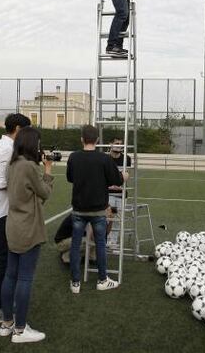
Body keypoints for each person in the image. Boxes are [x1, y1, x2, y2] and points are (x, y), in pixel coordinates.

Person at [0, 127, 54, 343]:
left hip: (13, 225)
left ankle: (7, 323)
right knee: (24, 278)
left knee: (10, 275)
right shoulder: (29, 166)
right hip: (28, 227)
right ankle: (20, 329)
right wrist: (48, 170)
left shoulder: (13, 164)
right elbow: (45, 192)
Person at [66, 125, 126, 293]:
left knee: (77, 245)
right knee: (100, 243)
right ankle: (102, 279)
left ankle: (75, 283)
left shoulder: (74, 157)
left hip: (78, 209)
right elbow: (116, 180)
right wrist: (124, 176)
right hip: (98, 210)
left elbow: (70, 178)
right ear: (97, 140)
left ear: (82, 139)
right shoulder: (104, 159)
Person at [0, 113, 31, 323]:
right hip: (4, 211)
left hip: (3, 209)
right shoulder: (5, 148)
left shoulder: (5, 147)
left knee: (3, 259)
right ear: (18, 129)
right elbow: (1, 182)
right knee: (2, 259)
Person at [106, 137, 132, 244]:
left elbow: (127, 175)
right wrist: (109, 186)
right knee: (108, 218)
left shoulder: (127, 158)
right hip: (108, 194)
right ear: (110, 144)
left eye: (121, 144)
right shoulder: (105, 158)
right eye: (116, 143)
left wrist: (120, 183)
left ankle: (113, 242)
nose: (119, 146)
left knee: (117, 219)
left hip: (121, 194)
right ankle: (105, 240)